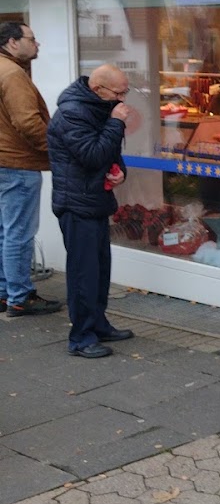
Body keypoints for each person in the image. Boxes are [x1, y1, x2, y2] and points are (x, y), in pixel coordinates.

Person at [47, 64, 135, 358]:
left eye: (126, 91)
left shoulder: (99, 107)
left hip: (95, 199)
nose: (123, 100)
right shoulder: (72, 113)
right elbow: (92, 154)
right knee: (83, 273)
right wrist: (116, 124)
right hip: (76, 204)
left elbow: (108, 154)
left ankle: (98, 324)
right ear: (98, 90)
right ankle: (81, 337)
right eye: (119, 92)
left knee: (100, 270)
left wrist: (118, 171)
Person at [0, 21, 60, 317]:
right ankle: (20, 297)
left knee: (5, 231)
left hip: (4, 162)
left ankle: (5, 292)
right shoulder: (12, 74)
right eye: (32, 39)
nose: (37, 44)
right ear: (12, 42)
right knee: (19, 233)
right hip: (16, 164)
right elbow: (27, 122)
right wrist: (54, 150)